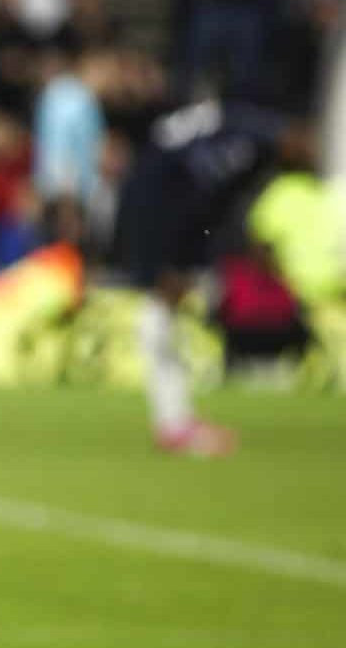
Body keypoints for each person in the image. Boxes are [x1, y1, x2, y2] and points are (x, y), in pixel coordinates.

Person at [122, 97, 314, 456]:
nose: (310, 156)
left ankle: (175, 420)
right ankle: (175, 425)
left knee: (166, 306)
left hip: (158, 187)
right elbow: (204, 183)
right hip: (160, 197)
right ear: (298, 134)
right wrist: (191, 253)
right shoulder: (252, 143)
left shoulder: (247, 123)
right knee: (163, 305)